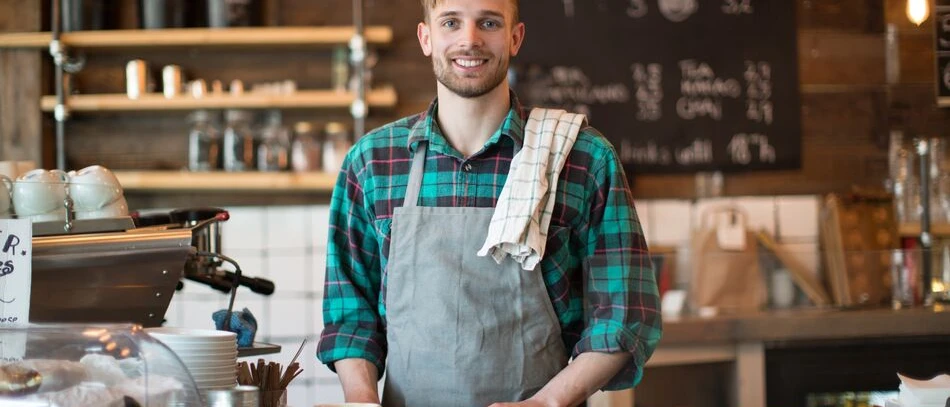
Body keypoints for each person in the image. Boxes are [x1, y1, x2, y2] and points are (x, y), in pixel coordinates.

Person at [317, 0, 661, 405]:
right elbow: (350, 315)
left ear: (515, 38)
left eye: (489, 22)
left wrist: (546, 402)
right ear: (426, 38)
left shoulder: (581, 158)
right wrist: (360, 398)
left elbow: (623, 315)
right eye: (451, 22)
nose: (470, 40)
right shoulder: (372, 162)